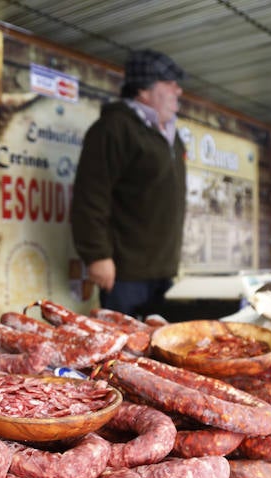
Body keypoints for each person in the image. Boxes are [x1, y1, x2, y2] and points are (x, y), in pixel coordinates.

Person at [70, 49, 187, 317]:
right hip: (124, 274)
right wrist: (97, 256)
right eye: (169, 84)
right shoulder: (113, 128)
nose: (178, 91)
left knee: (163, 350)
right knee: (125, 352)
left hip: (163, 271)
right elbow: (90, 197)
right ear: (144, 90)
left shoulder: (170, 134)